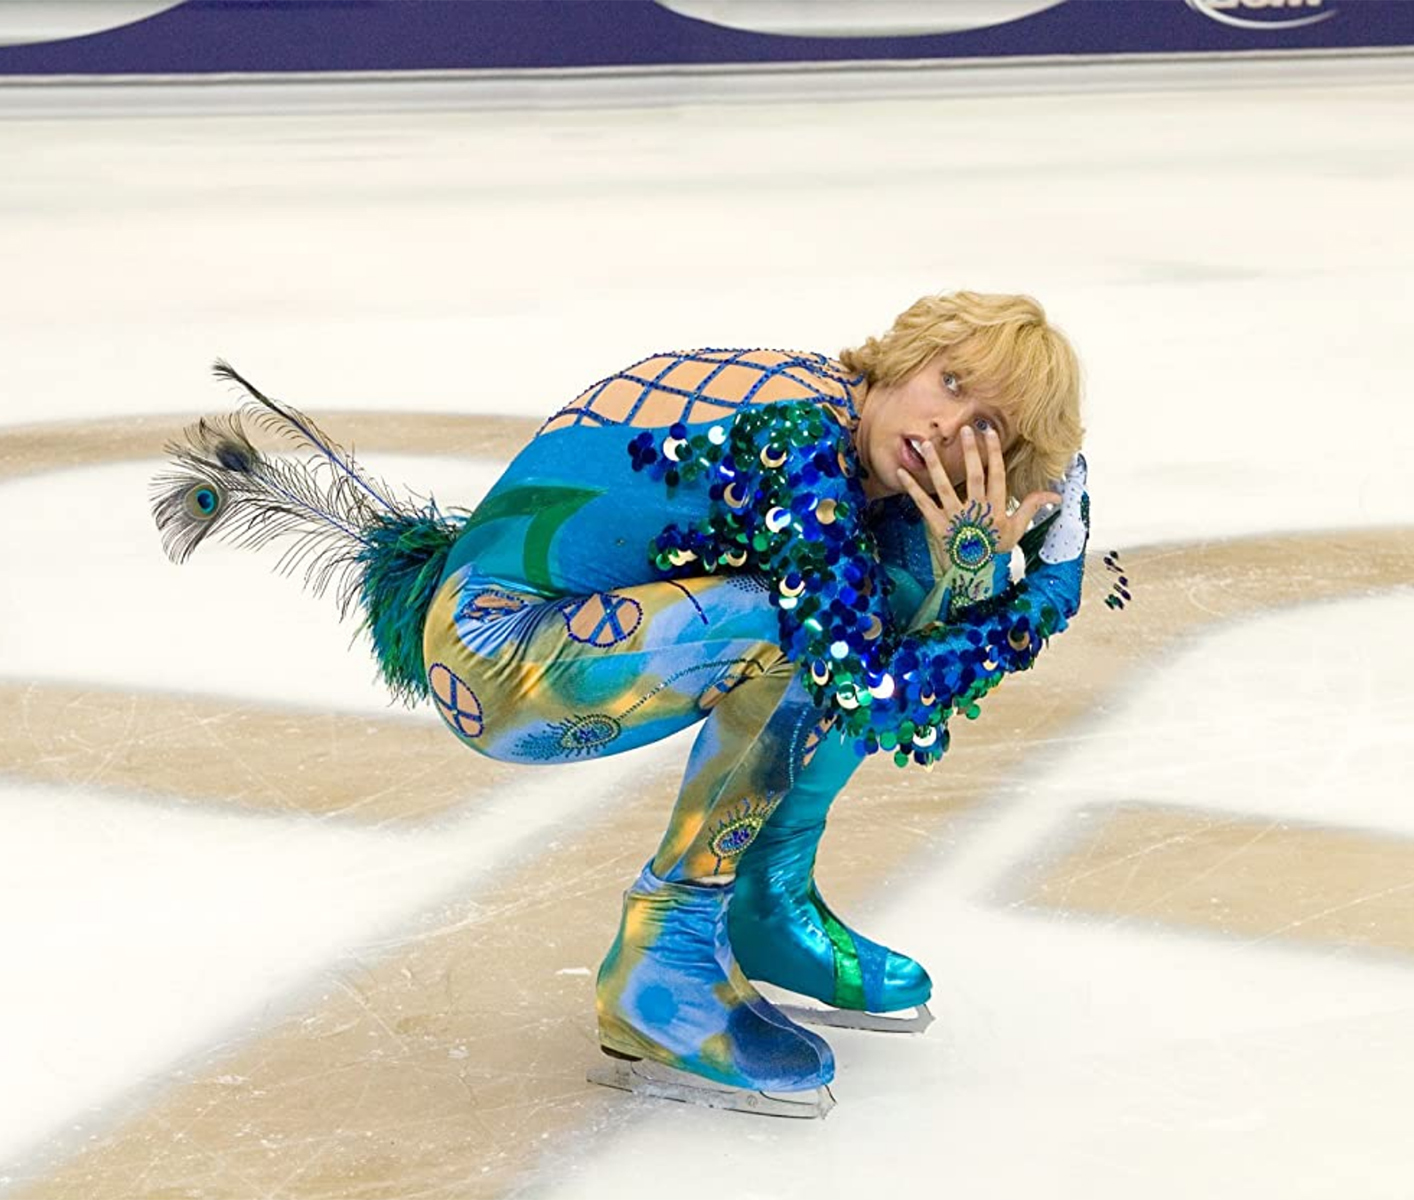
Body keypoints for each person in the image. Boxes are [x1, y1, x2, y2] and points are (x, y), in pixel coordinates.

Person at [151, 291, 1096, 1119]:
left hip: (582, 631)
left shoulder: (848, 436)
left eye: (990, 428)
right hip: (499, 659)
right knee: (804, 635)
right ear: (903, 357)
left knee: (887, 581)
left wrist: (963, 567)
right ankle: (666, 960)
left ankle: (763, 905)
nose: (949, 426)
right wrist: (1041, 589)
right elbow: (872, 688)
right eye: (951, 380)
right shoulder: (801, 438)